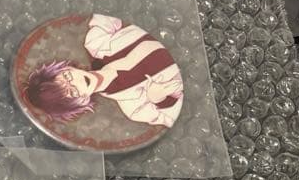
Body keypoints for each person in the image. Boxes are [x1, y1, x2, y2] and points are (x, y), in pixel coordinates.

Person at [24, 13, 183, 128]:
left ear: (66, 67)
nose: (78, 81)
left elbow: (114, 5)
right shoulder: (134, 108)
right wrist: (158, 98)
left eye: (67, 76)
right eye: (72, 92)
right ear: (81, 101)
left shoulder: (96, 41)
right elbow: (175, 119)